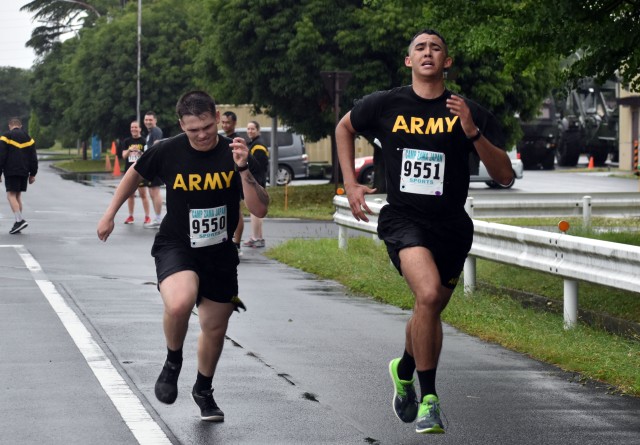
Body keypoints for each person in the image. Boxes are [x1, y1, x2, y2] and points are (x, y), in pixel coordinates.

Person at [335, 28, 513, 435]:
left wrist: (471, 130)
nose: (428, 52)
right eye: (420, 48)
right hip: (403, 220)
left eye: (436, 48)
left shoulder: (467, 111)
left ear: (446, 62)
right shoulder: (386, 104)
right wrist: (350, 182)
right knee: (428, 293)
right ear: (409, 61)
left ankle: (404, 367)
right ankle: (429, 400)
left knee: (427, 309)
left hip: (451, 226)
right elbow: (344, 128)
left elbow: (503, 175)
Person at [97, 90, 269, 421]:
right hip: (176, 243)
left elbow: (260, 206)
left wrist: (244, 168)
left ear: (217, 117)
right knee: (179, 302)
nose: (202, 135)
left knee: (214, 326)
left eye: (206, 126)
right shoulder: (167, 150)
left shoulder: (237, 153)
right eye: (193, 130)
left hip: (219, 251)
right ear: (181, 125)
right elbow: (134, 173)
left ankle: (203, 390)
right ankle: (172, 360)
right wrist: (110, 213)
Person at [0, 117, 38, 234]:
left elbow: (1, 156)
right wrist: (32, 174)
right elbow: (33, 158)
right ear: (20, 126)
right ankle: (18, 223)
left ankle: (19, 220)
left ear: (10, 126)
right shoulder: (29, 138)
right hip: (24, 171)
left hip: (11, 171)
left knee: (11, 195)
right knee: (17, 196)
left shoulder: (6, 136)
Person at [242, 120, 269, 248]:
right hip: (256, 180)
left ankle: (256, 238)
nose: (250, 131)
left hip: (257, 181)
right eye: (248, 129)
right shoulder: (253, 144)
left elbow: (260, 166)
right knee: (256, 212)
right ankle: (259, 238)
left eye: (252, 129)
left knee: (255, 211)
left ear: (258, 130)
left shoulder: (258, 146)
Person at [221, 111, 244, 256]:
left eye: (227, 122)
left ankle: (237, 243)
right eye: (222, 122)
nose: (224, 125)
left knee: (237, 212)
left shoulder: (236, 141)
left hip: (236, 180)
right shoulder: (222, 139)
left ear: (234, 123)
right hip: (224, 179)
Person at [119, 120, 151, 225]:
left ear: (140, 129)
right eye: (132, 127)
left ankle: (147, 217)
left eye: (136, 127)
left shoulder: (143, 141)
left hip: (141, 171)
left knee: (143, 194)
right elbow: (124, 156)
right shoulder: (127, 141)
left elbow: (147, 155)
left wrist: (140, 152)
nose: (133, 129)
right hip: (129, 170)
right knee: (130, 194)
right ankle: (130, 216)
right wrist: (130, 150)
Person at [143, 111, 165, 228]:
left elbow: (156, 146)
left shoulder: (156, 131)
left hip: (155, 166)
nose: (148, 122)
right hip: (151, 166)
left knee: (155, 192)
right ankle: (157, 218)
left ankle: (158, 219)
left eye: (150, 120)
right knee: (152, 192)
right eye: (146, 120)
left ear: (155, 120)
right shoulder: (150, 133)